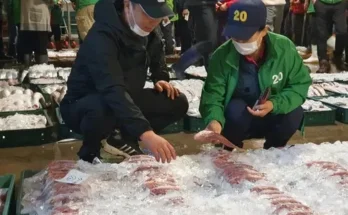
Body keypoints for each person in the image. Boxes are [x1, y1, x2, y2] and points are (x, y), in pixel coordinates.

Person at [60, 0, 189, 163]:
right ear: (128, 5)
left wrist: (160, 78)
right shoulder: (101, 36)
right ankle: (93, 149)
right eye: (148, 14)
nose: (154, 21)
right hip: (88, 103)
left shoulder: (147, 29)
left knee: (177, 101)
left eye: (158, 16)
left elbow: (157, 53)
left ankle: (123, 138)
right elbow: (112, 88)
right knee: (102, 106)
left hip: (125, 95)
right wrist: (146, 133)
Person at [199, 0, 311, 150]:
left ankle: (275, 149)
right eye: (235, 36)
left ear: (264, 31)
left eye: (245, 37)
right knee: (233, 110)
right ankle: (229, 147)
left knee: (294, 112)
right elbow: (213, 94)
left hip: (272, 114)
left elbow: (300, 85)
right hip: (240, 120)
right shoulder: (221, 55)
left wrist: (274, 104)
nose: (239, 42)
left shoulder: (284, 48)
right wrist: (214, 121)